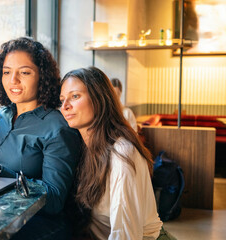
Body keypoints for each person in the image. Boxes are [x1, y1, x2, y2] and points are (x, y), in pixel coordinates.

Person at [0, 37, 82, 239]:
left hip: (37, 225)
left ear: (42, 76)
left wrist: (2, 174)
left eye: (24, 72)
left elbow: (55, 201)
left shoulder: (58, 128)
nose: (13, 80)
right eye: (7, 72)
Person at [60, 67, 176, 240]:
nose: (65, 106)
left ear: (99, 99)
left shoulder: (122, 154)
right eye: (62, 100)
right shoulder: (82, 147)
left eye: (75, 96)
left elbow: (126, 234)